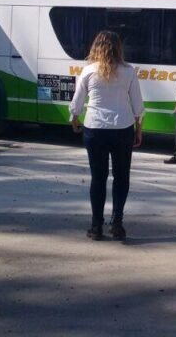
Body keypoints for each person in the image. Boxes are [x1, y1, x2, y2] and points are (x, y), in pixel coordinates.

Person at [69, 31, 144, 241]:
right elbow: (137, 104)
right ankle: (117, 223)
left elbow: (78, 101)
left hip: (95, 128)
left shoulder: (88, 71)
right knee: (121, 177)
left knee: (98, 178)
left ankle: (96, 226)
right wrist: (139, 128)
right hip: (122, 128)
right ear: (118, 48)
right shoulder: (128, 72)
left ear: (96, 47)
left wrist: (75, 119)